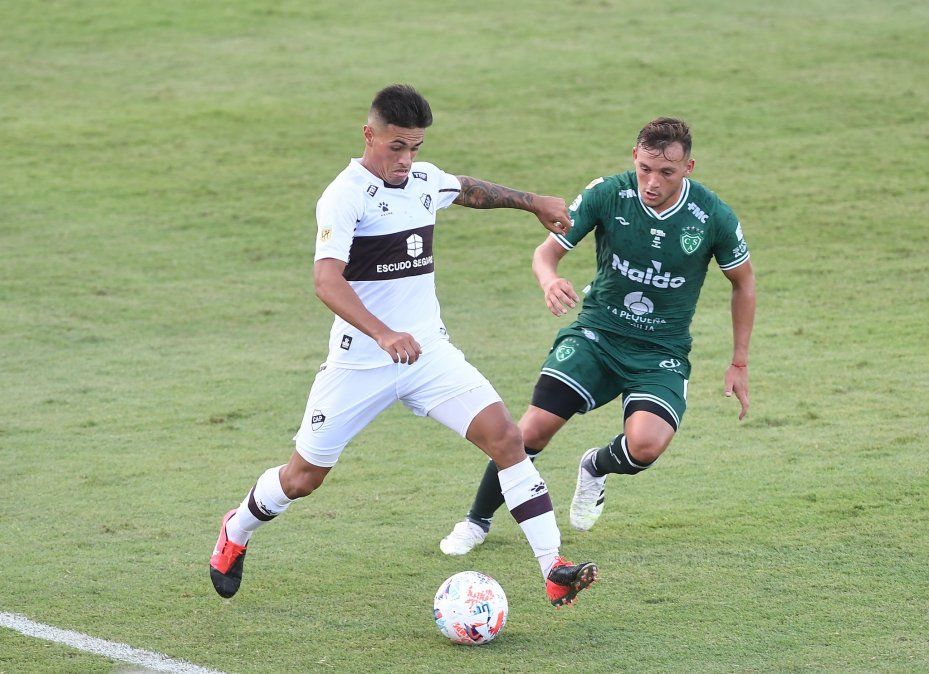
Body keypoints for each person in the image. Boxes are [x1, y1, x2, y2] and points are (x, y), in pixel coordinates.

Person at [209, 84, 598, 608]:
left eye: (415, 147)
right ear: (369, 135)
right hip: (360, 362)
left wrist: (533, 203)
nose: (406, 160)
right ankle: (237, 528)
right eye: (397, 147)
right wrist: (383, 333)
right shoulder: (344, 195)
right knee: (303, 478)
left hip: (427, 354)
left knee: (507, 438)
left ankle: (553, 568)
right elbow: (326, 281)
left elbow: (466, 189)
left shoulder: (422, 179)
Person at [440, 117, 755, 554]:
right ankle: (477, 520)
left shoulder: (712, 215)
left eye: (666, 172)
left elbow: (744, 282)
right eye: (645, 168)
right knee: (530, 431)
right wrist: (549, 280)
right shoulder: (609, 193)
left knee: (645, 446)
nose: (652, 182)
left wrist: (739, 361)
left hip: (660, 352)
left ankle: (595, 466)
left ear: (688, 167)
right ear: (635, 157)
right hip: (597, 335)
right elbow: (546, 253)